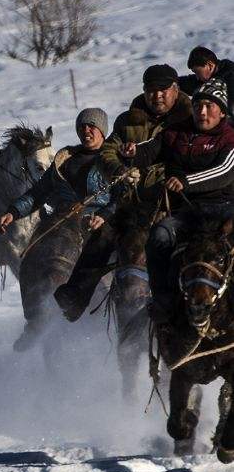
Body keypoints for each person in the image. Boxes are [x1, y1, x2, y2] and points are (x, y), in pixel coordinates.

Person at [54, 64, 193, 320]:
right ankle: (75, 296)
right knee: (103, 235)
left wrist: (161, 175)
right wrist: (119, 170)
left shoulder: (190, 118)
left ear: (175, 90)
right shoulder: (128, 120)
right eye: (151, 90)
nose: (157, 96)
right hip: (132, 201)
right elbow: (108, 151)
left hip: (172, 201)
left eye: (163, 90)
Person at [120, 78, 234, 324]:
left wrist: (187, 181)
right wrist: (134, 153)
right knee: (159, 236)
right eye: (198, 106)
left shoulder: (229, 137)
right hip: (188, 214)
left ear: (222, 111)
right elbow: (151, 149)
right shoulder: (175, 133)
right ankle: (163, 300)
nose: (202, 112)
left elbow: (224, 171)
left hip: (225, 212)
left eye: (209, 106)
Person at [0, 109, 114, 349]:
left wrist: (104, 216)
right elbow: (38, 193)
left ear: (102, 130)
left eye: (92, 126)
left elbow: (121, 197)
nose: (86, 131)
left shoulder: (112, 160)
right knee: (29, 258)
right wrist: (14, 211)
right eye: (82, 126)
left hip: (97, 221)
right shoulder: (64, 160)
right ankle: (34, 321)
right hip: (60, 220)